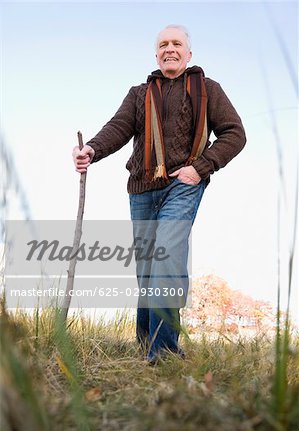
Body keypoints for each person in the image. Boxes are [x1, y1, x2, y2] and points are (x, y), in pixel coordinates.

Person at [73, 25, 246, 364]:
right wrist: (92, 148)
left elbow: (234, 133)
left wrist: (202, 166)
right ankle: (146, 343)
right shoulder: (139, 93)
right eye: (163, 44)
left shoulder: (208, 90)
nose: (170, 49)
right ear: (156, 54)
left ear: (188, 53)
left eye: (177, 43)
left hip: (182, 186)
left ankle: (164, 352)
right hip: (141, 189)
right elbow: (119, 127)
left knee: (165, 259)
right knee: (148, 271)